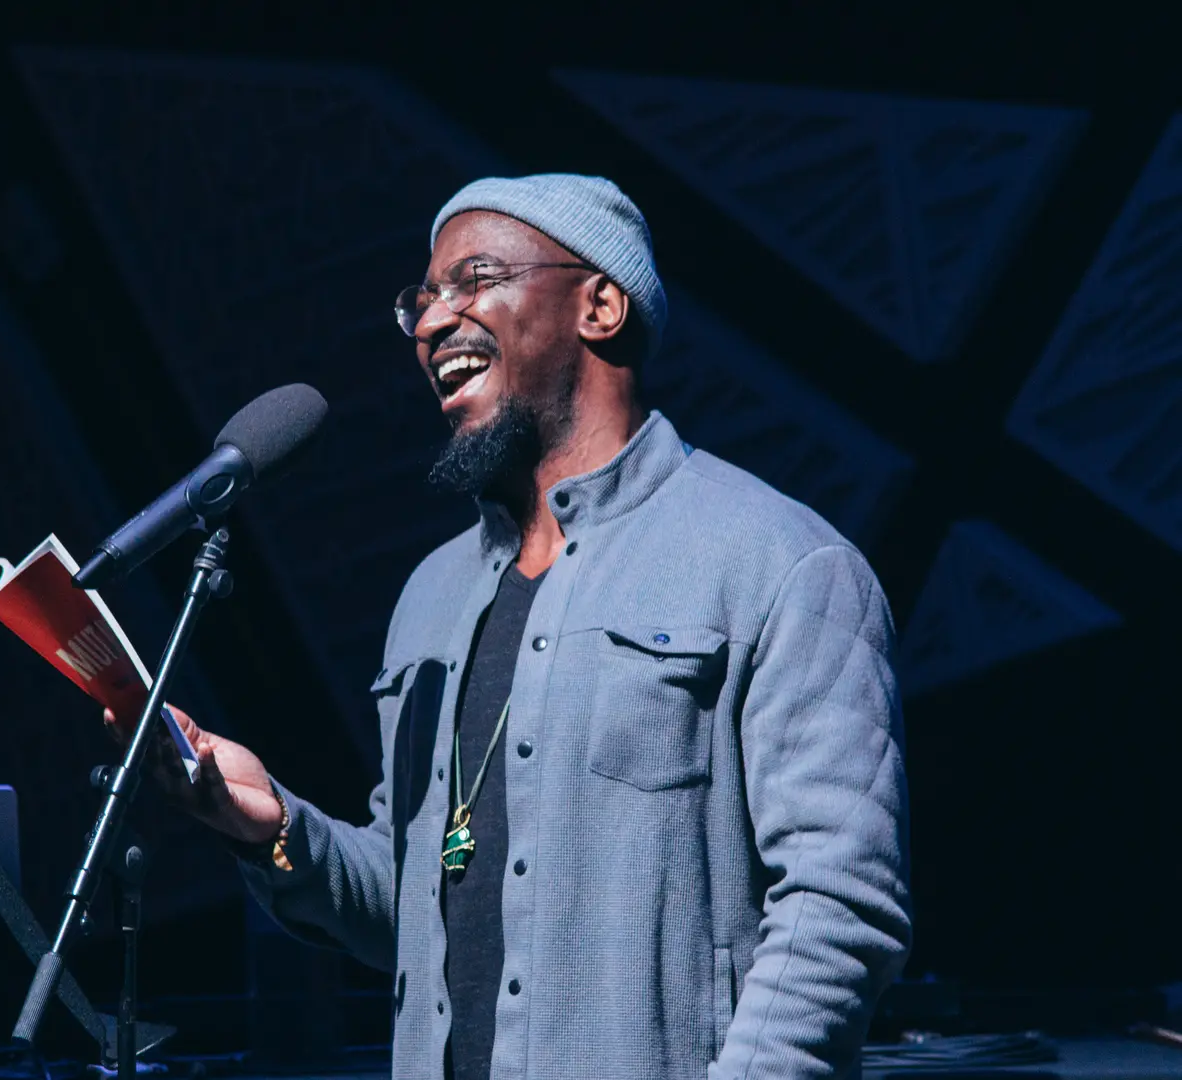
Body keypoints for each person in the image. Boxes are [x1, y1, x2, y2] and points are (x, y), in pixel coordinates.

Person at [108, 174, 912, 1080]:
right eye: (421, 299)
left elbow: (839, 908)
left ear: (599, 304)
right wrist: (270, 827)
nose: (431, 322)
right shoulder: (429, 597)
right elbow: (413, 907)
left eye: (473, 279)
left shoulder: (781, 563)